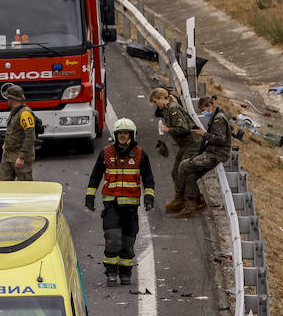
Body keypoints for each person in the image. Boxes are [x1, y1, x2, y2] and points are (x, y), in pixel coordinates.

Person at [85, 118, 155, 284]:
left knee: (128, 243)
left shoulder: (140, 154)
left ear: (132, 134)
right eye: (120, 133)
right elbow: (95, 176)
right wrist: (90, 197)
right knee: (113, 238)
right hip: (112, 205)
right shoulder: (106, 153)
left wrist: (149, 197)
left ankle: (125, 273)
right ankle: (111, 272)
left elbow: (148, 178)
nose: (123, 136)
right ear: (115, 135)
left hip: (131, 208)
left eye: (126, 133)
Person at [175, 96, 233, 219]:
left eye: (203, 110)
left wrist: (203, 134)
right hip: (212, 151)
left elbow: (221, 139)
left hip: (216, 154)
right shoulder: (216, 116)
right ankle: (192, 205)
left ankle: (179, 197)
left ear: (210, 106)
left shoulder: (218, 119)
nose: (203, 113)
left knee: (184, 166)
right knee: (191, 175)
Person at [150, 87, 201, 212]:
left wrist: (168, 130)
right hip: (185, 145)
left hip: (192, 144)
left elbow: (183, 128)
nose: (156, 105)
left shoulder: (173, 109)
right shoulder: (168, 110)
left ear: (162, 98)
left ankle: (189, 202)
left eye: (156, 101)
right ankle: (190, 199)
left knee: (184, 171)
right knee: (175, 172)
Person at [0, 83, 36, 181]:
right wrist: (6, 143)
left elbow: (30, 136)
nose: (7, 100)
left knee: (25, 188)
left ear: (12, 99)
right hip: (8, 155)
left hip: (20, 156)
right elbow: (13, 131)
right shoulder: (14, 111)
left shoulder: (25, 114)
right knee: (2, 185)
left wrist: (22, 157)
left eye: (8, 98)